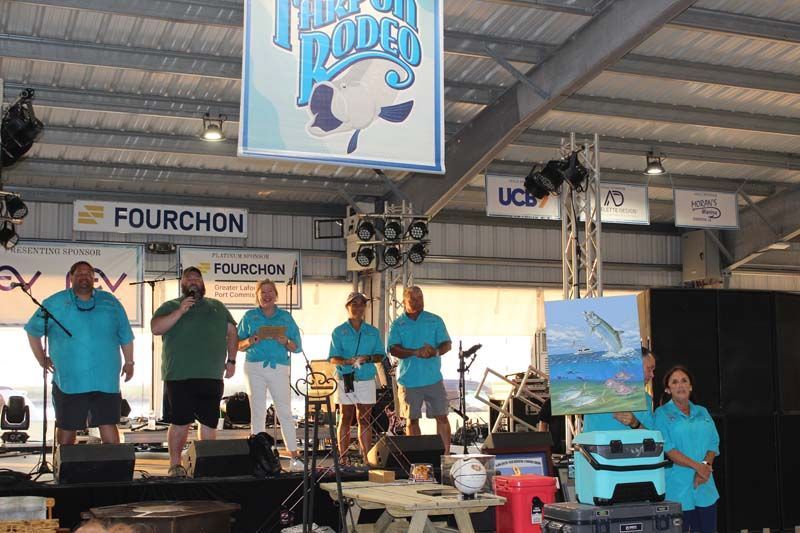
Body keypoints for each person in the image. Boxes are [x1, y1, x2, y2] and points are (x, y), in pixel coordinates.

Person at [25, 261, 134, 446]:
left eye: (88, 274)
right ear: (71, 277)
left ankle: (114, 471)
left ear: (94, 278)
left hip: (105, 380)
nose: (84, 277)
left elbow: (125, 335)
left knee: (108, 424)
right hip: (69, 380)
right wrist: (41, 358)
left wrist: (129, 362)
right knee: (67, 428)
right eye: (80, 273)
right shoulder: (54, 302)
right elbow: (33, 331)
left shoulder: (110, 302)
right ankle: (66, 472)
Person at [151, 266, 238, 476]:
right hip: (179, 375)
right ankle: (175, 465)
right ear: (182, 284)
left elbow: (232, 332)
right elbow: (156, 328)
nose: (192, 280)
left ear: (202, 283)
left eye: (196, 278)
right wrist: (181, 310)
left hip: (211, 374)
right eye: (188, 278)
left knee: (209, 422)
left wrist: (232, 360)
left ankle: (205, 463)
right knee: (180, 422)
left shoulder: (217, 306)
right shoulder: (170, 306)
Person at [237, 279, 302, 462]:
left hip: (279, 367)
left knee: (284, 410)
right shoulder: (249, 316)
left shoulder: (286, 317)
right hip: (254, 367)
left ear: (276, 295)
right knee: (257, 410)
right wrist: (250, 341)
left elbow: (297, 347)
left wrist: (286, 342)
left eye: (270, 292)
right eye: (263, 292)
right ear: (257, 296)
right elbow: (237, 345)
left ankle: (293, 454)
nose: (266, 296)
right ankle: (259, 454)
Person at [655, 366, 719, 533]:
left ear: (690, 386)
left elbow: (714, 443)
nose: (680, 385)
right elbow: (669, 449)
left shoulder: (702, 412)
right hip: (677, 490)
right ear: (668, 389)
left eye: (684, 381)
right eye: (674, 382)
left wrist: (704, 466)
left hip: (705, 486)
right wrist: (699, 467)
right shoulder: (661, 414)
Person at [388, 286, 452, 451]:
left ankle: (445, 457)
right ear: (404, 302)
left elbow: (447, 344)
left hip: (433, 379)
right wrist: (415, 352)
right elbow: (393, 349)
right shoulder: (397, 324)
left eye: (420, 298)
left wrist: (435, 351)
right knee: (412, 420)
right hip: (408, 381)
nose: (418, 302)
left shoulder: (435, 320)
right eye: (413, 299)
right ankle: (418, 460)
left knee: (442, 417)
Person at [328, 292, 385, 463]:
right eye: (354, 304)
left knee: (365, 418)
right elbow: (332, 358)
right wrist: (346, 361)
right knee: (345, 416)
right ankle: (343, 458)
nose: (358, 307)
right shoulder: (338, 331)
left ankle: (367, 458)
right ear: (348, 307)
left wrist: (367, 358)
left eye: (362, 304)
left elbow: (380, 355)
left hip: (366, 378)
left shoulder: (373, 332)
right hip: (345, 377)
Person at [583, 346, 657, 432]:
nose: (652, 375)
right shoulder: (596, 391)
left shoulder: (646, 398)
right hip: (597, 444)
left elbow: (651, 436)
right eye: (649, 369)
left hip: (632, 445)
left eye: (653, 370)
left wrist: (635, 423)